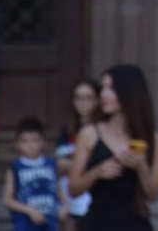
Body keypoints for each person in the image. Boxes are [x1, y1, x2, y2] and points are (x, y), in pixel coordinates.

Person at [68, 65, 158, 231]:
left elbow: (152, 195)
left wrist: (141, 166)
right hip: (98, 222)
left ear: (129, 93)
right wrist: (96, 173)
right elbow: (73, 189)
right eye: (103, 88)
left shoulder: (153, 137)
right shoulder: (89, 133)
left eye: (111, 89)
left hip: (135, 223)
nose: (103, 94)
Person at [2, 117, 69, 231]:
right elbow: (7, 200)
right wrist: (30, 211)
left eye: (35, 140)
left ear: (43, 142)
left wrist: (65, 206)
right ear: (17, 144)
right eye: (25, 141)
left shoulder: (51, 164)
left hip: (50, 221)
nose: (30, 145)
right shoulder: (15, 167)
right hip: (26, 223)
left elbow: (56, 187)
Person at [56, 78, 100, 231]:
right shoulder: (67, 129)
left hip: (93, 191)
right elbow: (60, 163)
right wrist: (85, 165)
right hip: (69, 191)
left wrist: (75, 164)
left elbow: (100, 164)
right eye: (78, 98)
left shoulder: (102, 129)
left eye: (88, 98)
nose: (82, 103)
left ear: (97, 101)